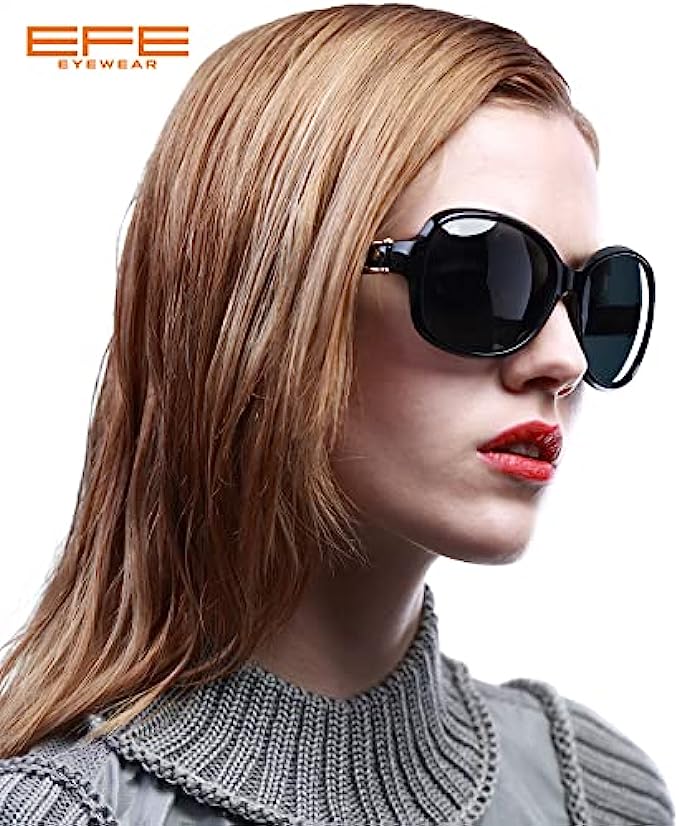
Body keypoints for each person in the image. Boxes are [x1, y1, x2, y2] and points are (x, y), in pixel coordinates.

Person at [0, 3, 673, 825]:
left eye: (594, 299)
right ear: (273, 299)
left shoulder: (598, 797)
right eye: (485, 278)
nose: (563, 360)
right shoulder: (59, 811)